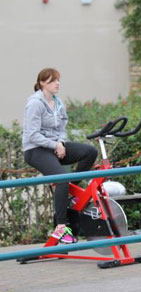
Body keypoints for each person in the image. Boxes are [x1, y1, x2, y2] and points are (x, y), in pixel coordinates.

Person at [22, 68, 98, 243]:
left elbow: (62, 128)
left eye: (58, 80)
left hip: (55, 146)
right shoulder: (35, 103)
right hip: (36, 149)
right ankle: (61, 227)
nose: (57, 83)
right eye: (52, 81)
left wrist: (61, 143)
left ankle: (70, 188)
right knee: (61, 178)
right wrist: (55, 144)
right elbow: (32, 134)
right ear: (42, 83)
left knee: (90, 152)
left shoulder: (58, 102)